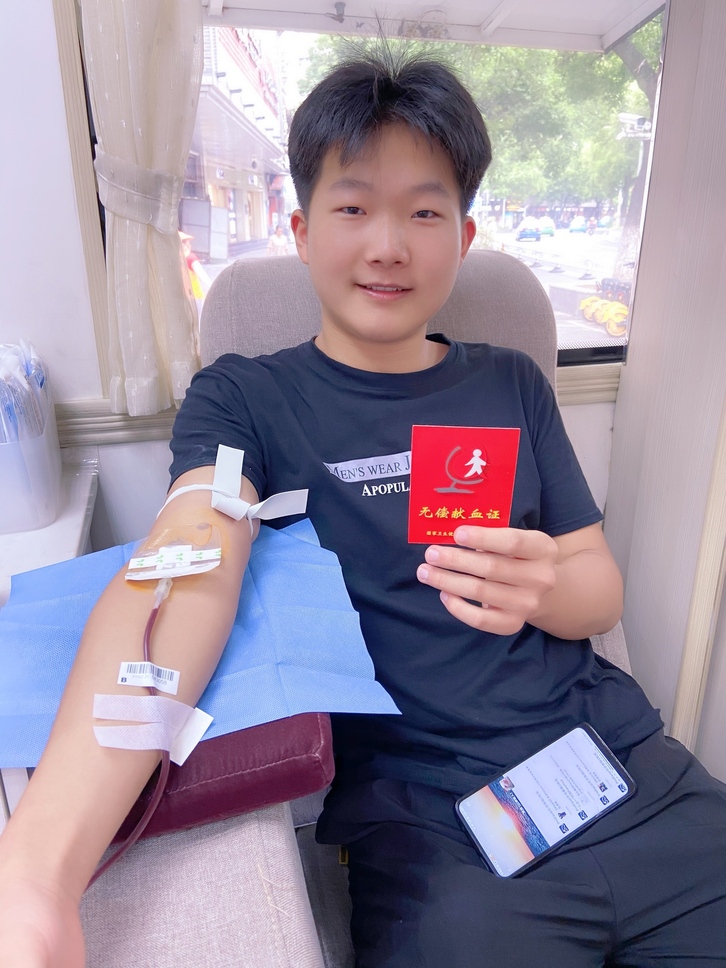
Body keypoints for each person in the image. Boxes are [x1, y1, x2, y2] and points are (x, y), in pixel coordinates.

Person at [0, 47, 724, 968]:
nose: (388, 245)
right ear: (303, 231)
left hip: (629, 772)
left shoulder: (512, 383)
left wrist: (546, 589)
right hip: (437, 835)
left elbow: (597, 587)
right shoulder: (245, 397)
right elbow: (184, 568)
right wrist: (39, 875)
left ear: (462, 237)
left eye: (424, 211)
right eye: (353, 208)